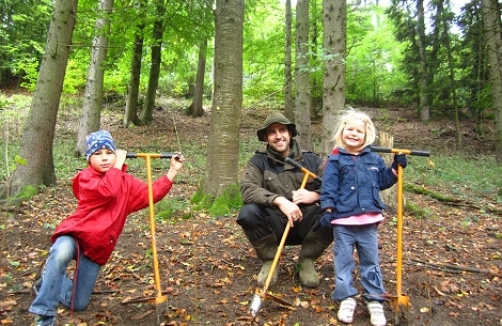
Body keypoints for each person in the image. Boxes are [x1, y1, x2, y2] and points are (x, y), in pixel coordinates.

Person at [29, 130, 185, 326]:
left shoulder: (125, 182)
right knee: (60, 253)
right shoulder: (85, 178)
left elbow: (150, 195)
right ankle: (45, 314)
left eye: (109, 153)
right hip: (75, 235)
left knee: (78, 303)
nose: (104, 158)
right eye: (98, 154)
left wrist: (172, 171)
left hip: (98, 247)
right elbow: (108, 191)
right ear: (89, 158)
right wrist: (117, 166)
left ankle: (47, 280)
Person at [319, 109, 407, 326]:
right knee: (343, 261)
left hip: (369, 222)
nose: (354, 133)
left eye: (359, 131)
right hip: (343, 223)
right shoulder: (336, 159)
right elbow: (329, 187)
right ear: (342, 132)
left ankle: (374, 299)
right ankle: (346, 297)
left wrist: (396, 167)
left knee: (371, 262)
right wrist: (327, 210)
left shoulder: (373, 158)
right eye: (350, 129)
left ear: (366, 135)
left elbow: (384, 181)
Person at [237, 112, 333, 288]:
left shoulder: (311, 160)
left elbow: (334, 187)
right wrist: (280, 201)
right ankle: (269, 261)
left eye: (282, 130)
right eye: (272, 132)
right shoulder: (259, 161)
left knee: (335, 214)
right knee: (248, 213)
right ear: (266, 137)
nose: (278, 136)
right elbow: (247, 189)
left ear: (290, 133)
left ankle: (307, 260)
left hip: (307, 223)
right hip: (275, 225)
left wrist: (315, 195)